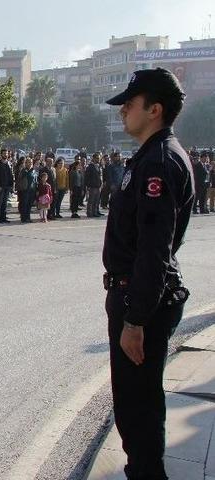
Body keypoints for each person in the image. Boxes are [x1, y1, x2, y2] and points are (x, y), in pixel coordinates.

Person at [102, 68, 195, 480]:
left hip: (139, 302)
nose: (123, 109)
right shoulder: (153, 155)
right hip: (136, 296)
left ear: (154, 109)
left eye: (131, 102)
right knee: (138, 403)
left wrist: (135, 319)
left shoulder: (158, 162)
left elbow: (154, 252)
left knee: (136, 408)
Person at [0, 149, 14, 223]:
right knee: (0, 203)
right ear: (1, 154)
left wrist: (11, 185)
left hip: (7, 186)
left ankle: (4, 217)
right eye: (4, 153)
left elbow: (11, 175)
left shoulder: (9, 163)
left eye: (7, 153)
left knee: (5, 203)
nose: (6, 155)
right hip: (0, 187)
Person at [17, 158, 37, 223]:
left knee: (29, 205)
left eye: (31, 162)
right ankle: (23, 218)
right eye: (28, 162)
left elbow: (35, 181)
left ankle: (28, 217)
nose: (30, 163)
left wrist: (36, 190)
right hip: (25, 190)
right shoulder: (23, 171)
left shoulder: (33, 171)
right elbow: (19, 181)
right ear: (25, 163)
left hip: (32, 190)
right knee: (24, 204)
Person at [85, 153, 104, 217]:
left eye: (99, 158)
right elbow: (87, 177)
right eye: (97, 158)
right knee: (91, 201)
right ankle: (89, 213)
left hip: (98, 186)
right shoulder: (90, 167)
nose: (98, 159)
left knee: (97, 200)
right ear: (93, 158)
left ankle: (95, 212)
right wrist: (88, 186)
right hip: (92, 186)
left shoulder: (99, 166)